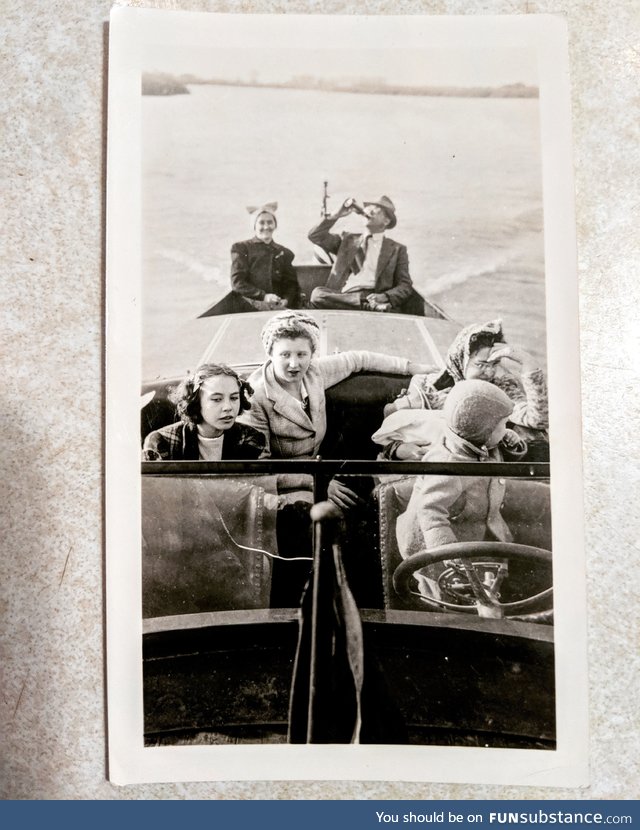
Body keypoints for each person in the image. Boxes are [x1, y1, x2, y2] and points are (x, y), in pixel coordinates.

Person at [237, 310, 435, 508]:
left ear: (311, 354)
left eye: (301, 354)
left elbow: (358, 359)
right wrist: (315, 481)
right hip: (289, 480)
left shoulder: (314, 372)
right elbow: (260, 470)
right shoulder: (255, 399)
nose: (294, 364)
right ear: (270, 354)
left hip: (321, 462)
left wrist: (409, 367)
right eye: (285, 354)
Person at [395, 380, 527, 602]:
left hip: (472, 529)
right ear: (484, 430)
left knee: (481, 583)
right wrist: (450, 556)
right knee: (442, 592)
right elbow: (430, 512)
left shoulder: (478, 442)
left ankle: (480, 599)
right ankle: (441, 610)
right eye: (503, 425)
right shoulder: (449, 466)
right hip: (435, 548)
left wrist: (509, 444)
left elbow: (496, 460)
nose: (507, 429)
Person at [382, 319, 548, 460]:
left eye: (494, 364)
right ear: (460, 359)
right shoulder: (427, 389)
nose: (489, 372)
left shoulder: (499, 389)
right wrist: (399, 449)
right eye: (480, 365)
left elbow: (538, 420)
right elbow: (391, 432)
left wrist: (528, 363)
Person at [307, 195, 414, 312]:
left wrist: (385, 296)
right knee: (317, 294)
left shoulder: (397, 249)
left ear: (386, 221)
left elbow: (405, 285)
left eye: (375, 211)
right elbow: (315, 236)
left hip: (374, 296)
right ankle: (367, 306)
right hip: (345, 295)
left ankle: (367, 304)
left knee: (318, 297)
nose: (369, 212)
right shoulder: (347, 240)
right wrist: (336, 214)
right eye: (368, 209)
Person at [142, 363, 265, 460]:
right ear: (195, 402)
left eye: (234, 398)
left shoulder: (250, 437)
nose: (228, 407)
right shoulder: (160, 441)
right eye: (217, 399)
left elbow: (245, 485)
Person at [230, 202, 300, 310]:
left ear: (275, 225)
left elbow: (291, 284)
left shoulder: (284, 252)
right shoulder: (241, 248)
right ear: (254, 226)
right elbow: (237, 283)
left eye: (270, 222)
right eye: (261, 223)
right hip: (250, 304)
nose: (266, 227)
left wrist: (286, 300)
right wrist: (263, 296)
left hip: (278, 306)